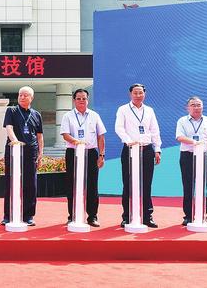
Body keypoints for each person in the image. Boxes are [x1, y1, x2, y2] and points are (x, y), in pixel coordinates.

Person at [115, 83, 161, 228]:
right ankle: (127, 216)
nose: (138, 95)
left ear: (144, 94)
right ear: (130, 94)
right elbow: (119, 128)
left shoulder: (149, 110)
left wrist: (157, 149)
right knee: (128, 183)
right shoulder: (123, 109)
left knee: (147, 184)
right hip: (129, 150)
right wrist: (129, 141)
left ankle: (147, 216)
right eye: (135, 93)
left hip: (147, 150)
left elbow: (154, 130)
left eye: (140, 92)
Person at [60, 89, 106, 227]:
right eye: (78, 98)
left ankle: (92, 216)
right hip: (73, 152)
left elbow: (101, 136)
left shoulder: (94, 115)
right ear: (74, 100)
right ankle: (72, 215)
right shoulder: (67, 116)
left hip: (91, 153)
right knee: (72, 185)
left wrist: (101, 155)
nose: (81, 101)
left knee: (92, 185)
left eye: (84, 98)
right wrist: (77, 142)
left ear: (87, 100)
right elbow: (65, 134)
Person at [175, 96, 207, 226]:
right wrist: (195, 142)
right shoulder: (182, 121)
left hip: (204, 156)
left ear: (203, 106)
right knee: (188, 186)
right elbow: (179, 137)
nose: (196, 107)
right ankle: (188, 216)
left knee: (202, 187)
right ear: (187, 108)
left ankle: (202, 215)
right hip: (187, 155)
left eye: (199, 105)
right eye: (193, 105)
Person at [2, 86, 43, 226]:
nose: (22, 97)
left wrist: (40, 153)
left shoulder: (36, 114)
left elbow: (39, 136)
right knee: (10, 182)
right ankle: (8, 215)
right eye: (20, 95)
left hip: (31, 151)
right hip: (14, 150)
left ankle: (28, 215)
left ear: (32, 98)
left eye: (26, 95)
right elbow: (9, 128)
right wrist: (14, 141)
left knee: (31, 183)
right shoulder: (11, 110)